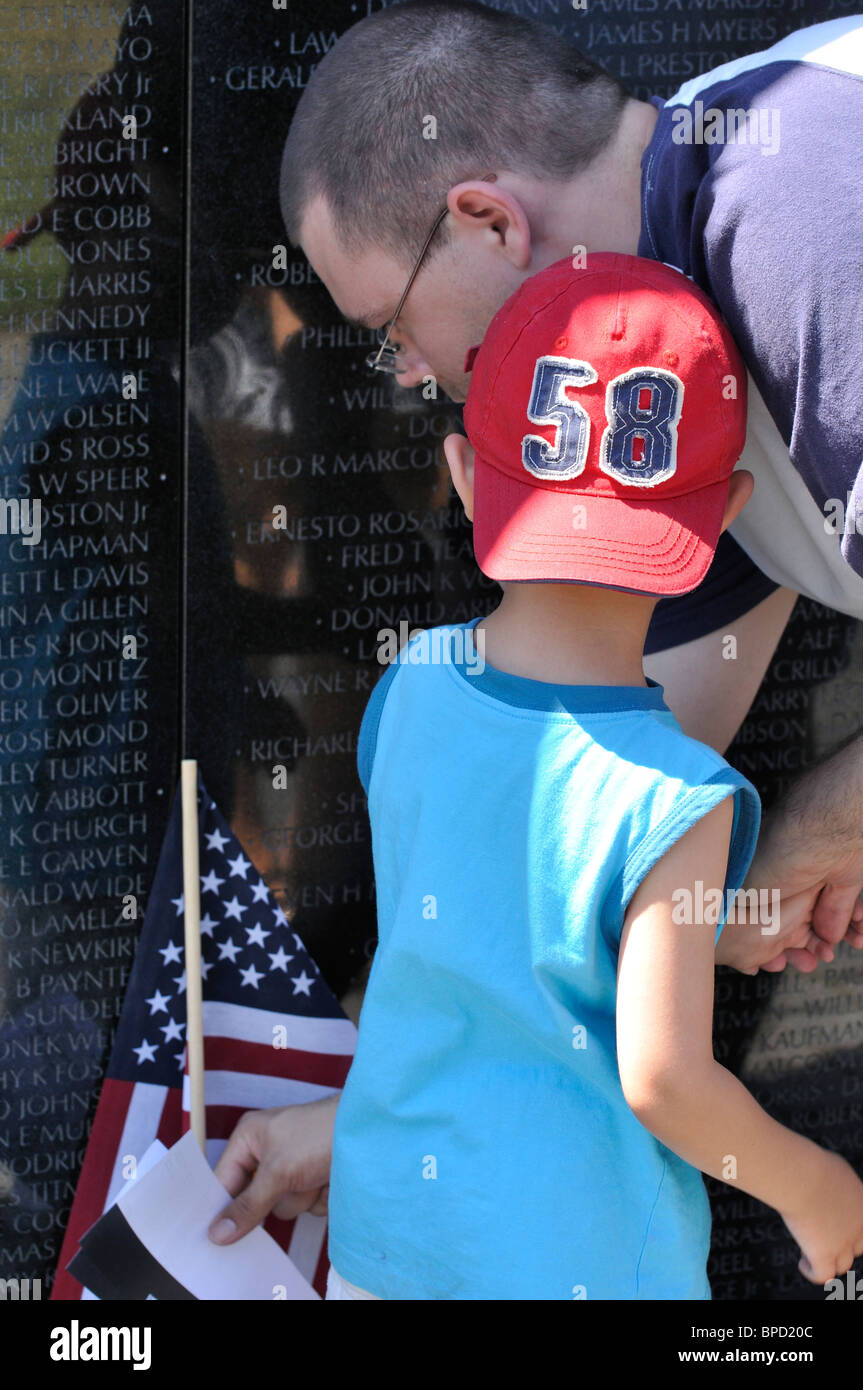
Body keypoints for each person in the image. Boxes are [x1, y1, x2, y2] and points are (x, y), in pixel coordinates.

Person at [207, 2, 863, 1249]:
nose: (411, 378)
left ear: (487, 221)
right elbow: (595, 811)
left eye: (393, 329)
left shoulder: (807, 236)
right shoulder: (651, 387)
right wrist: (378, 1120)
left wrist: (818, 827)